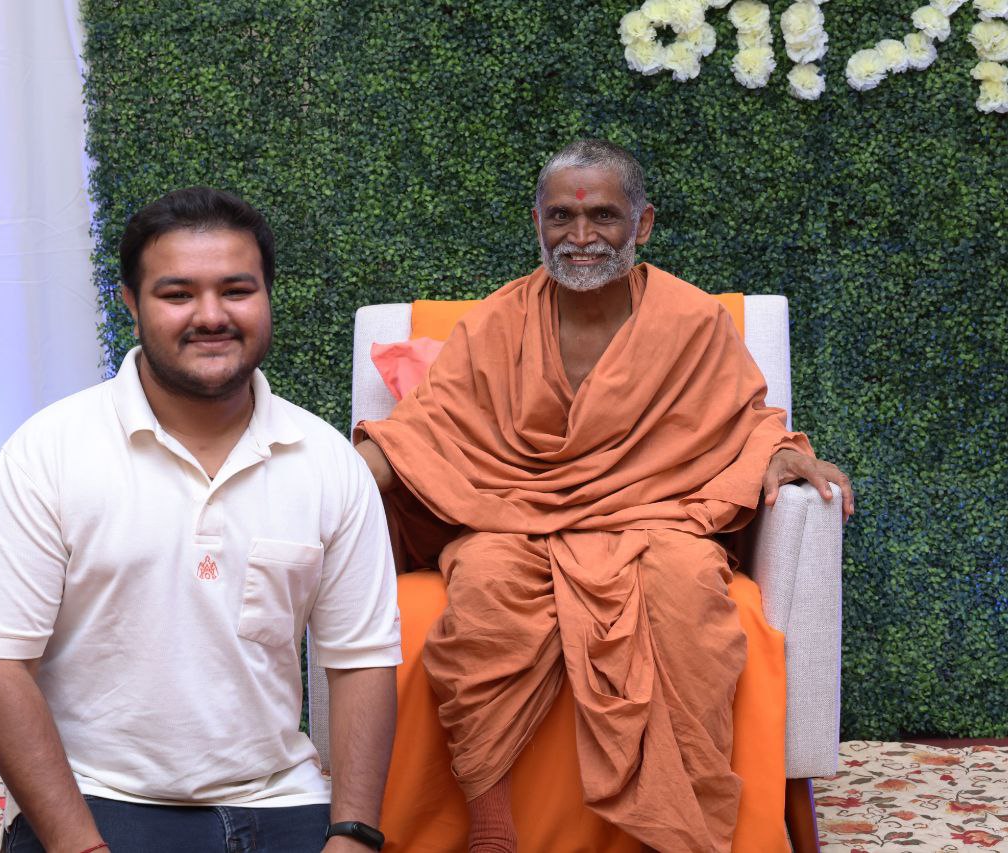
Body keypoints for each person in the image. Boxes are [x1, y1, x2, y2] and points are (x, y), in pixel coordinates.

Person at [354, 139, 853, 852]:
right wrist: (337, 477)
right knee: (485, 583)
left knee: (686, 590)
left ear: (642, 224)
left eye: (604, 217)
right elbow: (425, 428)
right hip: (514, 517)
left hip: (657, 519)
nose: (581, 235)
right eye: (561, 216)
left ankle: (674, 833)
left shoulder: (692, 320)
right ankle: (491, 828)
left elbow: (741, 419)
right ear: (537, 222)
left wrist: (781, 453)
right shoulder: (496, 321)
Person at [0, 187, 400, 853]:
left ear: (268, 296)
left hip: (280, 796)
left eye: (237, 290)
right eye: (177, 294)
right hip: (97, 800)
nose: (211, 315)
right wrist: (80, 845)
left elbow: (361, 660)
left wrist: (354, 835)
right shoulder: (46, 453)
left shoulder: (327, 462)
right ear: (131, 304)